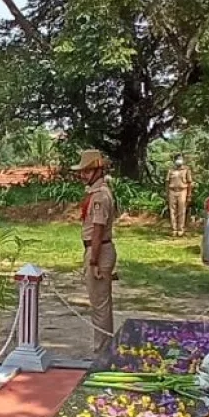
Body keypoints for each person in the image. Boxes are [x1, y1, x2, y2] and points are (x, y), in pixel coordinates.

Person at [72, 149, 117, 355]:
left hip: (98, 250)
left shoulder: (100, 196)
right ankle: (103, 347)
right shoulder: (96, 193)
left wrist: (94, 261)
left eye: (87, 171)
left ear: (98, 170)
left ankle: (103, 350)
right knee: (99, 304)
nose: (83, 175)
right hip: (96, 249)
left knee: (100, 307)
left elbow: (98, 231)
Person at [166, 156, 192, 237]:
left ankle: (180, 229)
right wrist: (167, 193)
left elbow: (190, 183)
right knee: (172, 211)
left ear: (183, 161)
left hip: (182, 191)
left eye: (180, 159)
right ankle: (174, 229)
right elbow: (167, 182)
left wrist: (189, 195)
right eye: (177, 159)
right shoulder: (171, 170)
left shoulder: (186, 170)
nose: (178, 161)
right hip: (172, 191)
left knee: (182, 210)